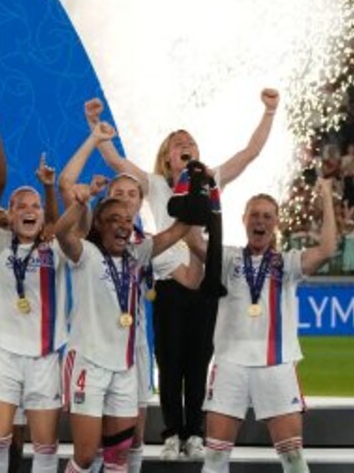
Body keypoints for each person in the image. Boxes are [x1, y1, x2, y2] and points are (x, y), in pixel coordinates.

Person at [87, 90, 279, 460]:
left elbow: (249, 153)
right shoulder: (156, 185)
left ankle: (195, 432)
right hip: (170, 286)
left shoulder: (210, 179)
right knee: (170, 361)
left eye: (190, 142)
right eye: (178, 144)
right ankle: (173, 433)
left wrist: (269, 112)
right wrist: (95, 123)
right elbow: (114, 159)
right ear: (167, 157)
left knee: (198, 361)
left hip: (206, 283)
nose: (185, 145)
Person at [59, 116, 204, 473]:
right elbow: (66, 199)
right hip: (90, 358)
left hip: (131, 354)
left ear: (141, 203)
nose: (124, 209)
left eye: (132, 196)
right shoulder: (87, 247)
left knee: (125, 447)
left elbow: (179, 238)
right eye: (117, 199)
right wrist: (80, 199)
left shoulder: (143, 248)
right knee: (87, 453)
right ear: (103, 209)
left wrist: (199, 195)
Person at [195, 183, 336, 473]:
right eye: (254, 215)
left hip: (277, 364)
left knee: (294, 459)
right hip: (229, 364)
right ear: (243, 220)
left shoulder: (288, 262)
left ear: (277, 222)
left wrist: (325, 197)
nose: (260, 221)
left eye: (267, 216)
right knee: (215, 458)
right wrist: (192, 194)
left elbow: (327, 248)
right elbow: (192, 240)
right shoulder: (227, 258)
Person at [0, 155, 84, 473]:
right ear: (10, 215)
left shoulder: (56, 247)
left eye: (35, 206)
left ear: (43, 217)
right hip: (2, 355)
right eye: (20, 206)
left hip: (45, 357)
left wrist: (63, 195)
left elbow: (68, 226)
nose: (29, 211)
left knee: (45, 446)